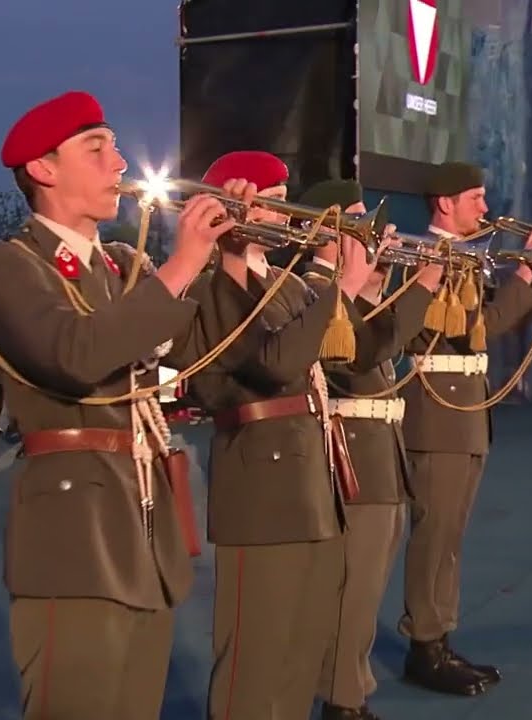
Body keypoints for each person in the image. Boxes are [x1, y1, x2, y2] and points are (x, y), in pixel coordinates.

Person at [0, 90, 230, 719]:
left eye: (113, 146)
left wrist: (238, 255)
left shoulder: (117, 264)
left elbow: (209, 353)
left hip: (144, 516)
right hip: (75, 527)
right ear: (43, 169)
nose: (119, 164)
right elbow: (75, 354)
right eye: (97, 148)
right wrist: (181, 264)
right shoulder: (9, 263)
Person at [178, 153, 361, 719]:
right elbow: (274, 363)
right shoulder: (210, 285)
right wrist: (342, 288)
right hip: (260, 476)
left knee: (300, 646)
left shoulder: (282, 283)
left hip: (309, 472)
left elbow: (354, 356)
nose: (286, 214)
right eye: (273, 200)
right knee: (252, 656)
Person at [397, 161, 532, 695]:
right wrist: (528, 274)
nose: (486, 210)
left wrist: (528, 275)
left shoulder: (470, 257)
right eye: (475, 198)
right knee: (435, 535)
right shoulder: (424, 255)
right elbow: (480, 328)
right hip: (438, 411)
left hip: (465, 411)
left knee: (450, 539)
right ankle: (424, 646)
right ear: (444, 203)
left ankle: (438, 639)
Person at [298, 179, 443, 720]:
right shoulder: (315, 288)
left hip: (382, 453)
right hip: (353, 457)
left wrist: (380, 284)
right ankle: (343, 701)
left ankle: (350, 693)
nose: (372, 228)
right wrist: (420, 284)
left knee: (365, 591)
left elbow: (380, 343)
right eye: (355, 219)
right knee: (350, 595)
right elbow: (359, 355)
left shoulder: (348, 290)